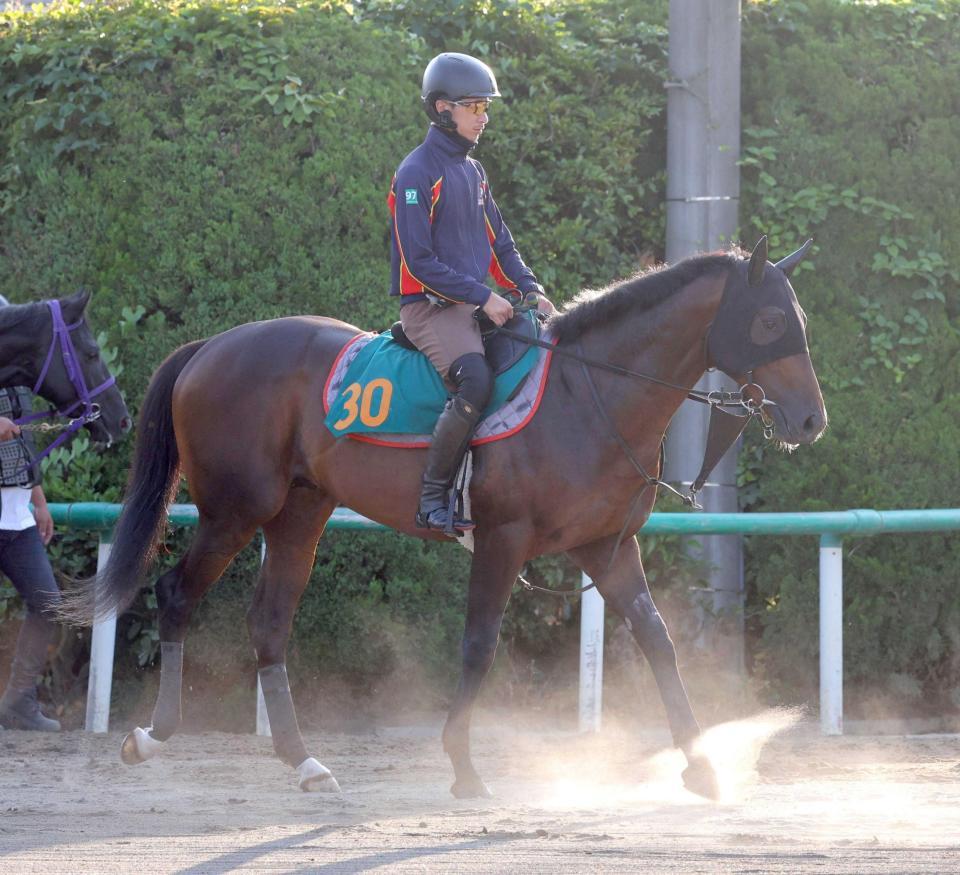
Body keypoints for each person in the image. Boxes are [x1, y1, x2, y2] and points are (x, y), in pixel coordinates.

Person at [389, 52, 554, 534]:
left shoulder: (474, 172)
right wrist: (483, 297)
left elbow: (501, 241)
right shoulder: (416, 173)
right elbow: (418, 263)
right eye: (475, 107)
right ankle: (432, 497)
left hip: (474, 304)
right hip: (430, 308)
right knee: (476, 381)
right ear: (443, 109)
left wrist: (530, 287)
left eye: (485, 107)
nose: (484, 117)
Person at [0, 302, 62, 731]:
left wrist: (38, 499)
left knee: (48, 605)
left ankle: (19, 700)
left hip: (17, 515)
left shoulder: (17, 373)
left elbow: (22, 443)